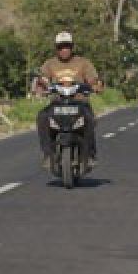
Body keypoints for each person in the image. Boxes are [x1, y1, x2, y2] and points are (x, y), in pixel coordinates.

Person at [34, 31, 103, 170]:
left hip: (79, 102)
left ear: (72, 47)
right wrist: (40, 87)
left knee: (89, 119)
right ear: (56, 48)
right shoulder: (49, 64)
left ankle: (90, 154)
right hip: (57, 103)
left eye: (67, 46)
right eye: (61, 47)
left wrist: (95, 86)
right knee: (42, 118)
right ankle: (48, 155)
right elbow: (42, 80)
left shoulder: (83, 63)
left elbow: (93, 80)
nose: (64, 49)